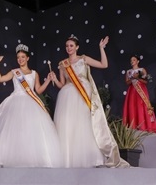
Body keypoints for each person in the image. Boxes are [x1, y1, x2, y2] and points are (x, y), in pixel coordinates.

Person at [0, 44, 62, 168]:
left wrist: (47, 80)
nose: (20, 59)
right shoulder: (15, 72)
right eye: (18, 57)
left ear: (28, 58)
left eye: (23, 57)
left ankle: (33, 159)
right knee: (11, 130)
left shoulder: (34, 73)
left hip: (31, 103)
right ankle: (2, 159)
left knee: (31, 131)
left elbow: (38, 90)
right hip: (15, 101)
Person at [51, 35, 130, 168]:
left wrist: (101, 48)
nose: (68, 48)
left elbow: (104, 65)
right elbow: (62, 85)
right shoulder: (62, 64)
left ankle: (88, 157)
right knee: (69, 126)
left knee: (84, 125)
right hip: (68, 96)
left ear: (77, 47)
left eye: (71, 46)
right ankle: (69, 159)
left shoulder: (84, 59)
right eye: (67, 46)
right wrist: (54, 79)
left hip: (83, 94)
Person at [122, 55, 156, 133]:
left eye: (134, 60)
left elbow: (146, 82)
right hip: (132, 91)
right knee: (132, 107)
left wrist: (137, 77)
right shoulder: (128, 71)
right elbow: (127, 82)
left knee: (141, 107)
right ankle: (133, 128)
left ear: (138, 61)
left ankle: (144, 127)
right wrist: (132, 78)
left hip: (141, 91)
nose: (132, 62)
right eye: (131, 60)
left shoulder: (142, 70)